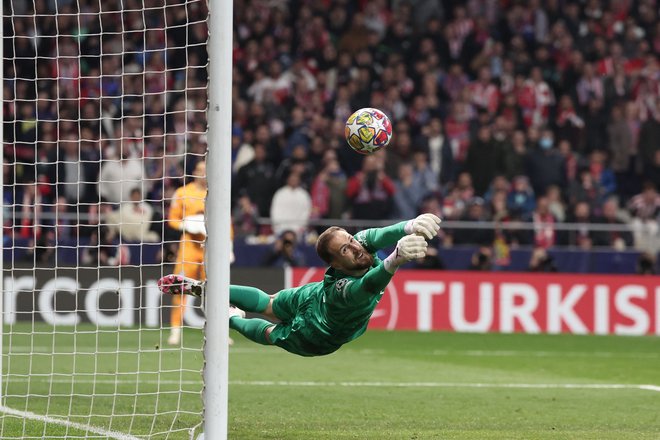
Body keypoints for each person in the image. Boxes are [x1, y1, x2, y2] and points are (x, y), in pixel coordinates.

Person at [158, 213, 441, 357]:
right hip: (315, 320)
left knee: (270, 312)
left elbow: (380, 234)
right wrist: (396, 258)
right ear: (336, 266)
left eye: (351, 241)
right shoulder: (344, 289)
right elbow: (368, 284)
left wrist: (410, 225)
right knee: (271, 317)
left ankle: (226, 312)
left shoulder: (360, 247)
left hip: (317, 315)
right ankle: (211, 297)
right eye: (345, 250)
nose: (354, 248)